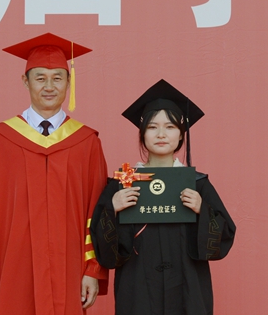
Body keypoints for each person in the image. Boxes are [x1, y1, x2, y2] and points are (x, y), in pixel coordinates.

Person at [0, 33, 108, 314]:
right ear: (25, 81)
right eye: (40, 78)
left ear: (69, 82)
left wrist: (92, 269)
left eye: (57, 78)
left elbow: (97, 213)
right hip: (14, 264)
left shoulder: (86, 143)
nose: (49, 86)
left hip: (70, 266)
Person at [90, 79, 236, 315]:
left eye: (170, 127)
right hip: (137, 292)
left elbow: (224, 238)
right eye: (152, 127)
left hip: (188, 292)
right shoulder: (123, 184)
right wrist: (112, 210)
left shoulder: (197, 184)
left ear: (181, 135)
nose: (161, 134)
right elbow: (107, 254)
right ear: (142, 134)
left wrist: (203, 210)